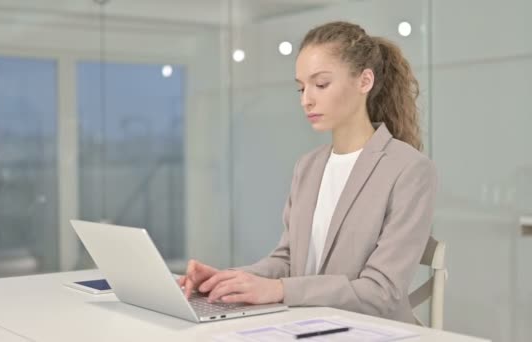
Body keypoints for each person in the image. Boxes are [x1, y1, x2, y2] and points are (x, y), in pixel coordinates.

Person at [178, 21, 437, 323]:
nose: (306, 99)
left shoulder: (410, 170)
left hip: (371, 331)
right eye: (301, 87)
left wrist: (279, 290)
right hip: (306, 325)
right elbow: (287, 260)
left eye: (321, 84)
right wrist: (225, 280)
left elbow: (381, 292)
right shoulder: (308, 166)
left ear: (364, 81)